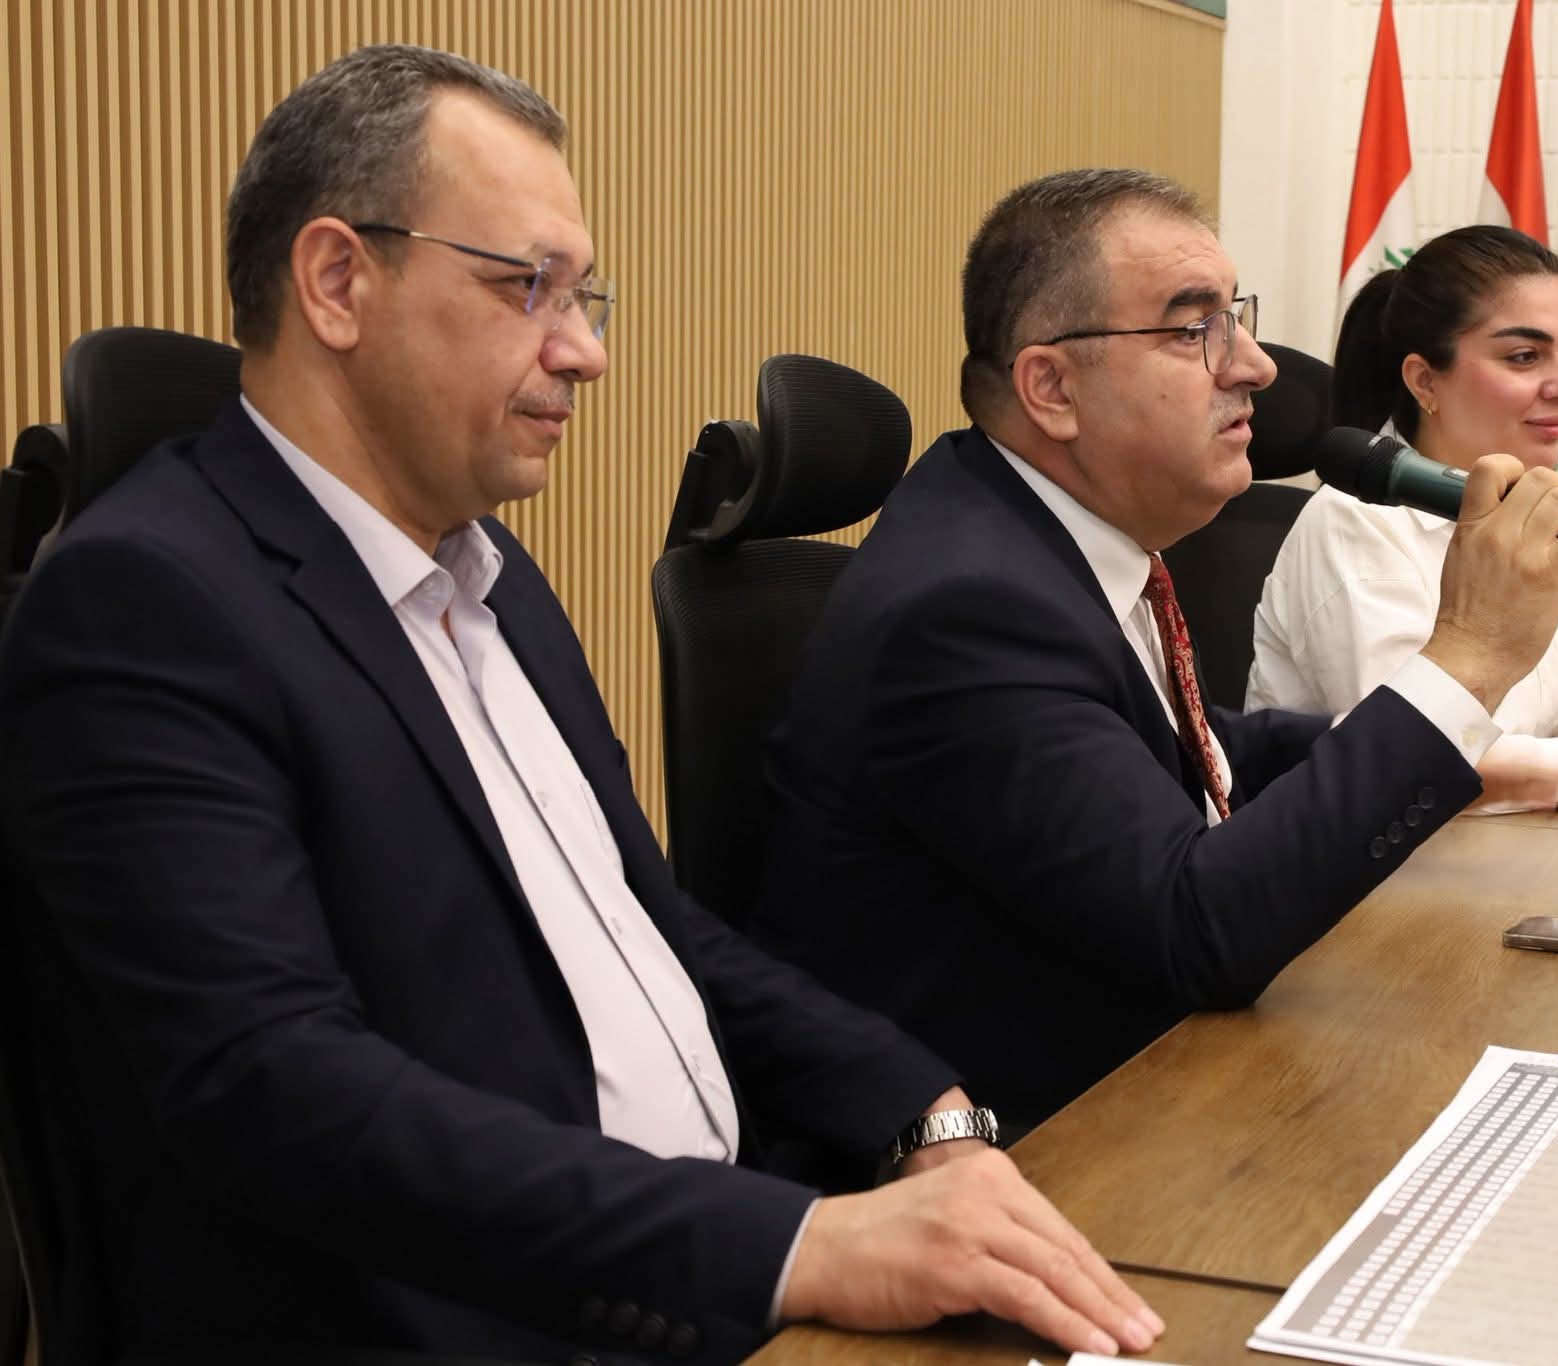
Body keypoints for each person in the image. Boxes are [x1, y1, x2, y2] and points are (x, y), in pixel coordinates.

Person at [0, 46, 1164, 1365]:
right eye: (528, 287)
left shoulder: (489, 572)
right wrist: (793, 1246)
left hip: (706, 1261)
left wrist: (925, 1110)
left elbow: (652, 924)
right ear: (336, 282)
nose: (586, 351)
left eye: (584, 295)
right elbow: (277, 1091)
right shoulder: (145, 603)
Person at [750, 171, 1558, 1132]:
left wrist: (1460, 761)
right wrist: (1467, 656)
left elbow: (1200, 750)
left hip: (1151, 1079)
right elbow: (1197, 929)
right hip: (1043, 1143)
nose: (1255, 365)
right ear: (1052, 388)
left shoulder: (1043, 533)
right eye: (1194, 329)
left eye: (1236, 318)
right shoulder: (967, 606)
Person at [1246, 226, 1558, 814]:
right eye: (1525, 357)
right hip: (1381, 868)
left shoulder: (1532, 503)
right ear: (1424, 380)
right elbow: (1408, 759)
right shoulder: (1354, 523)